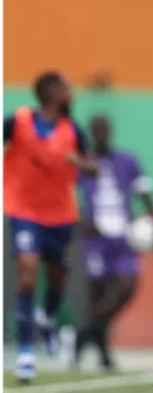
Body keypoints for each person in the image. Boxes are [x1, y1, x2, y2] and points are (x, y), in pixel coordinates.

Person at [4, 72, 96, 383]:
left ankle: (48, 316)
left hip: (60, 216)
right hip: (23, 210)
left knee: (57, 277)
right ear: (50, 91)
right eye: (66, 87)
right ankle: (26, 352)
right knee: (27, 271)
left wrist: (80, 163)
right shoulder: (18, 121)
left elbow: (93, 167)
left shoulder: (73, 131)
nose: (72, 91)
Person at [75, 114, 153, 372]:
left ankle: (85, 334)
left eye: (103, 128)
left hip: (123, 234)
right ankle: (104, 354)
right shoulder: (83, 163)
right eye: (95, 129)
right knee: (97, 293)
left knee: (127, 286)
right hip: (96, 236)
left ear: (109, 130)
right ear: (91, 132)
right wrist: (79, 220)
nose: (100, 133)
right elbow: (65, 191)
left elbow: (143, 191)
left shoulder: (126, 159)